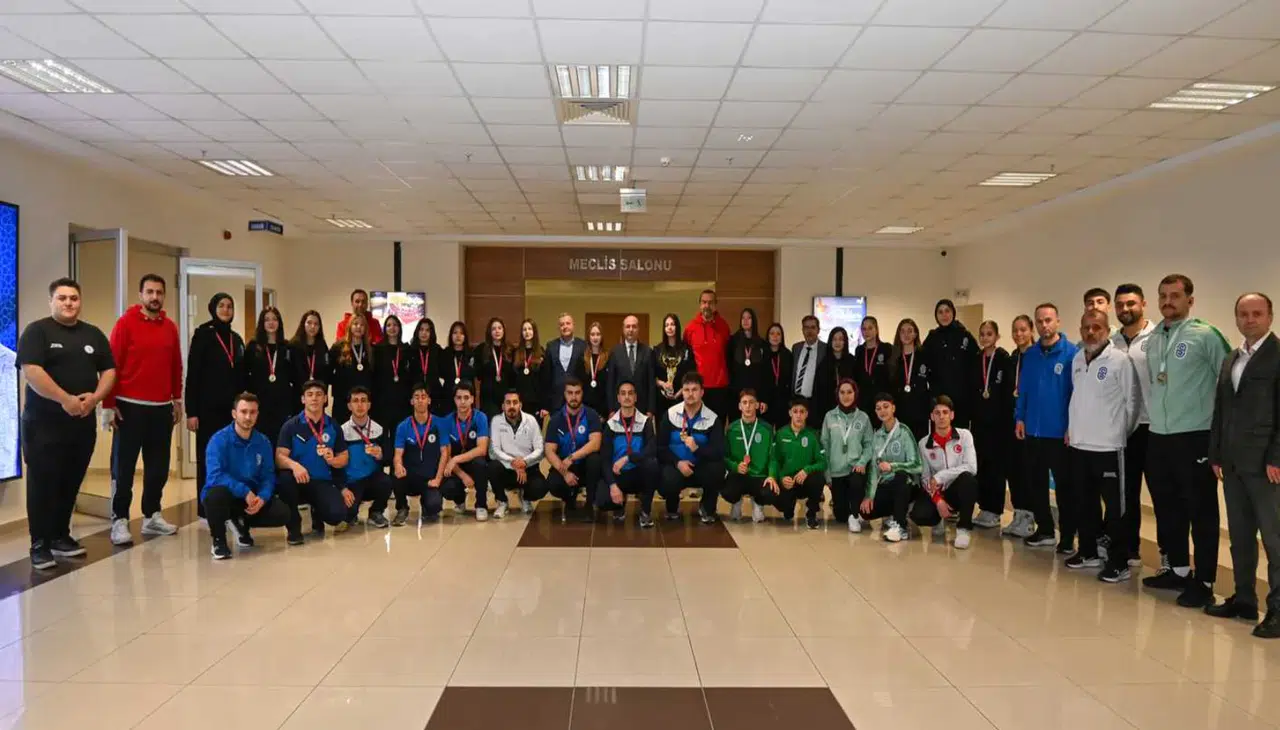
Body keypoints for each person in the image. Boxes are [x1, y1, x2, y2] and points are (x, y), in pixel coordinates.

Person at [1144, 274, 1230, 608]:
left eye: (1175, 295)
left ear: (1190, 300)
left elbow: (1228, 383)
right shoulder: (1154, 339)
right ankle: (1177, 570)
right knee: (1167, 508)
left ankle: (1204, 580)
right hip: (1159, 436)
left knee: (1201, 510)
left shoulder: (1205, 335)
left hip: (1195, 435)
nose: (1168, 301)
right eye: (1163, 295)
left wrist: (1221, 434)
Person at [17, 278, 115, 569]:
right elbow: (31, 371)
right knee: (43, 483)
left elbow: (109, 370)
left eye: (74, 298)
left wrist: (95, 398)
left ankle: (60, 536)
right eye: (62, 298)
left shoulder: (93, 334)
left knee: (70, 480)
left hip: (81, 423)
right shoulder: (37, 331)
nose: (69, 303)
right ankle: (40, 544)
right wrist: (65, 399)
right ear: (51, 301)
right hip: (43, 424)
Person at [1208, 293, 1280, 637]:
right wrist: (1216, 453)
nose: (1250, 319)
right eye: (1243, 314)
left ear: (1270, 317)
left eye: (1257, 313)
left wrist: (1277, 458)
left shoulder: (1277, 356)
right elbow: (1221, 410)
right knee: (1240, 536)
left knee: (1274, 540)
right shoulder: (1231, 358)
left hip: (1266, 466)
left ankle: (1277, 609)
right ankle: (1245, 599)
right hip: (1233, 464)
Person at [104, 273, 183, 546]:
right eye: (149, 292)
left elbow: (175, 365)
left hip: (161, 409)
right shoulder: (125, 324)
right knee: (124, 467)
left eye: (159, 292)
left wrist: (177, 399)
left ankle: (152, 515)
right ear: (141, 295)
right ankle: (119, 519)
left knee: (158, 467)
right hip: (129, 408)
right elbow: (111, 365)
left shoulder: (170, 327)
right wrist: (109, 404)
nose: (154, 297)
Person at [1066, 309, 1139, 581]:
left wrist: (1117, 432)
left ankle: (1119, 562)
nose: (1091, 332)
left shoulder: (1120, 360)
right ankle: (1088, 552)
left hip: (1108, 448)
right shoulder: (1077, 359)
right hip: (1079, 446)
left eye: (1097, 327)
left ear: (1107, 330)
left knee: (1116, 510)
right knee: (1084, 504)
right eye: (1086, 327)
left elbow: (1133, 404)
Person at [203, 392, 302, 559]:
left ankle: (241, 524)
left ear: (257, 414)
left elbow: (268, 476)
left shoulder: (263, 442)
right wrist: (244, 491)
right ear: (234, 414)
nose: (248, 417)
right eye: (243, 412)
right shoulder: (219, 440)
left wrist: (262, 497)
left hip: (252, 498)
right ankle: (219, 541)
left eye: (252, 412)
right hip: (229, 495)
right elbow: (215, 475)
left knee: (283, 513)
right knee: (214, 496)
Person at [1015, 303, 1078, 551]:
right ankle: (1045, 530)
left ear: (1058, 321)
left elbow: (1076, 394)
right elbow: (1024, 389)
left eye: (1048, 320)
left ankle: (1067, 537)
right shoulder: (1030, 355)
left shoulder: (1071, 354)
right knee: (1037, 485)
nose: (1044, 325)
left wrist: (1071, 426)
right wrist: (1020, 417)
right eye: (1040, 321)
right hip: (1033, 430)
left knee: (1065, 488)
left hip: (1060, 434)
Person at [184, 293, 244, 513]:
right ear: (213, 308)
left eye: (230, 306)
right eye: (221, 306)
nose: (226, 310)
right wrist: (192, 412)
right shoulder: (203, 335)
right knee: (209, 457)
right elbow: (193, 375)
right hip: (207, 410)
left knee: (231, 457)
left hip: (232, 411)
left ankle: (230, 503)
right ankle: (206, 506)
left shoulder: (236, 339)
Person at [1111, 284, 1156, 568]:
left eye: (1131, 303)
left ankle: (1170, 558)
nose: (1125, 309)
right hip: (1122, 428)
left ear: (1143, 304)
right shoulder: (1112, 341)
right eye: (1120, 304)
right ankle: (1130, 548)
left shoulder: (1157, 337)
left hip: (1153, 427)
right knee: (1125, 492)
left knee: (1161, 494)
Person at [275, 380, 349, 537]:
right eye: (309, 395)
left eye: (319, 394)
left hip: (322, 481)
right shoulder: (291, 426)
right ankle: (294, 527)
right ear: (303, 399)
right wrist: (295, 466)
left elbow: (344, 457)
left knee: (337, 514)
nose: (314, 398)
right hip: (297, 481)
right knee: (284, 479)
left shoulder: (333, 425)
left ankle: (317, 511)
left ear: (325, 399)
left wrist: (333, 460)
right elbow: (279, 458)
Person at [658, 372, 725, 524]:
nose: (690, 394)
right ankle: (672, 505)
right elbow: (660, 448)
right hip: (676, 467)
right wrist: (678, 463)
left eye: (694, 390)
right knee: (666, 478)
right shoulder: (670, 414)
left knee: (718, 469)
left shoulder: (712, 418)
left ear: (702, 392)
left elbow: (718, 452)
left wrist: (697, 449)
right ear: (682, 392)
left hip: (700, 467)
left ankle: (707, 506)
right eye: (686, 390)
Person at [914, 396, 979, 549]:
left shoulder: (964, 436)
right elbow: (925, 478)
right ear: (932, 417)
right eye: (937, 413)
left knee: (968, 480)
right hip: (938, 492)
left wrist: (941, 476)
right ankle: (938, 519)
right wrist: (938, 500)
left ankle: (963, 529)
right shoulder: (923, 443)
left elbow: (971, 467)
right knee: (919, 515)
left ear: (952, 415)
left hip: (957, 490)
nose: (941, 417)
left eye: (945, 412)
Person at [861, 393, 923, 543]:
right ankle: (897, 512)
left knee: (900, 476)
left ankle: (900, 526)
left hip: (907, 485)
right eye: (878, 408)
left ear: (893, 408)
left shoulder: (904, 432)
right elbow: (874, 469)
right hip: (886, 485)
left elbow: (917, 465)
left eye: (886, 406)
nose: (882, 411)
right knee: (866, 512)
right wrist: (869, 496)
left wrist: (893, 466)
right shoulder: (877, 436)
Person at [970, 320, 1014, 530]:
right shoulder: (976, 359)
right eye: (982, 334)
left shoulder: (1004, 359)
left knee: (996, 467)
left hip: (998, 424)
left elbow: (1007, 392)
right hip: (979, 423)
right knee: (982, 466)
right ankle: (984, 507)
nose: (985, 337)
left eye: (989, 334)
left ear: (997, 336)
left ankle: (995, 510)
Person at [597, 380, 661, 526]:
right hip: (618, 474)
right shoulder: (610, 424)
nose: (627, 397)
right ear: (618, 398)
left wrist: (628, 458)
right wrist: (613, 486)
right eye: (623, 393)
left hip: (638, 472)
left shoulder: (645, 422)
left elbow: (651, 450)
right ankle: (619, 504)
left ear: (635, 397)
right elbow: (605, 459)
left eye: (630, 393)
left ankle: (645, 511)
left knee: (653, 465)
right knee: (602, 500)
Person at [545, 378, 603, 522]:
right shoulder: (556, 419)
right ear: (564, 394)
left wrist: (572, 457)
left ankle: (590, 504)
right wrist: (564, 473)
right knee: (553, 483)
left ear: (582, 394)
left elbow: (595, 443)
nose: (574, 397)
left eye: (577, 393)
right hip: (564, 466)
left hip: (584, 466)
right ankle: (569, 499)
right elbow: (549, 451)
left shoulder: (591, 415)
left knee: (595, 460)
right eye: (570, 393)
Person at [337, 387, 393, 530]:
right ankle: (352, 513)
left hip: (372, 480)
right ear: (349, 406)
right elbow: (336, 465)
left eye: (363, 401)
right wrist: (342, 488)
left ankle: (376, 512)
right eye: (355, 401)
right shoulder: (341, 431)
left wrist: (380, 454)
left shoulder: (379, 429)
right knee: (346, 514)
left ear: (369, 405)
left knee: (387, 482)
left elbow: (388, 458)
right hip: (352, 482)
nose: (360, 405)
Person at [822, 379, 873, 532]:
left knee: (856, 482)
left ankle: (855, 515)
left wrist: (862, 462)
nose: (846, 396)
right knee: (840, 516)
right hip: (837, 471)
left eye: (849, 392)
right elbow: (824, 447)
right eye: (842, 392)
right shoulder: (829, 416)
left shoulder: (863, 417)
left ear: (855, 394)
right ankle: (850, 512)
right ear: (837, 395)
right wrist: (828, 475)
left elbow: (869, 445)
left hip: (855, 468)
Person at [391, 384, 447, 526]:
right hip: (411, 477)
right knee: (396, 472)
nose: (420, 400)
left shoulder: (439, 424)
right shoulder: (403, 426)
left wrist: (438, 479)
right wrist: (398, 465)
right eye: (416, 397)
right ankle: (402, 507)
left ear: (429, 400)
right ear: (412, 401)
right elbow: (398, 453)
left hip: (430, 478)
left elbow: (445, 453)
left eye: (423, 397)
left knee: (434, 506)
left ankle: (427, 504)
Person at [1002, 314, 1037, 538]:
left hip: (1032, 423)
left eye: (1023, 329)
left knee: (1029, 471)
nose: (1019, 334)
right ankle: (1018, 514)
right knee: (1014, 470)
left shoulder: (1038, 356)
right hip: (1012, 422)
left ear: (1031, 330)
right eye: (1015, 330)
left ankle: (1030, 518)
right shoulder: (1013, 358)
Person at [487, 389, 546, 517]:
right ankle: (502, 501)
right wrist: (513, 462)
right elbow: (493, 451)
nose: (512, 406)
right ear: (503, 406)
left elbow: (540, 449)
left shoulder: (531, 420)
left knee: (540, 488)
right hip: (506, 469)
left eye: (515, 402)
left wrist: (524, 462)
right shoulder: (496, 421)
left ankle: (525, 497)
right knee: (492, 467)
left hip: (528, 469)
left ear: (520, 405)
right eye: (508, 403)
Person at [722, 389, 777, 524]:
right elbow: (724, 456)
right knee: (726, 490)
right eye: (744, 402)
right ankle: (736, 501)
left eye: (751, 402)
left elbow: (773, 457)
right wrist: (735, 466)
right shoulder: (732, 429)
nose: (748, 406)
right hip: (739, 475)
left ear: (757, 405)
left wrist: (771, 476)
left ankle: (758, 503)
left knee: (771, 491)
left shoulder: (767, 429)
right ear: (739, 406)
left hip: (759, 476)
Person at [922, 298, 979, 429]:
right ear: (936, 316)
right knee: (940, 434)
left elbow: (976, 363)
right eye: (940, 312)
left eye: (947, 311)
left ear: (953, 312)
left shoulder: (965, 335)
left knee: (960, 434)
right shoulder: (932, 337)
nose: (944, 315)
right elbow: (923, 362)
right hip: (940, 398)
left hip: (962, 398)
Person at [773, 397, 828, 529]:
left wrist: (807, 470)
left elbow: (823, 462)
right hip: (788, 482)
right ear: (790, 413)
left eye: (802, 412)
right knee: (783, 508)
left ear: (807, 414)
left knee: (818, 478)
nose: (798, 415)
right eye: (795, 411)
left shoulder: (813, 435)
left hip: (805, 480)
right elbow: (775, 460)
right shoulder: (780, 434)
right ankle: (789, 506)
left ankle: (811, 512)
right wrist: (781, 477)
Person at [244, 306, 295, 446]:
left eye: (274, 319)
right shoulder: (253, 347)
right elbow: (245, 373)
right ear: (262, 323)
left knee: (281, 443)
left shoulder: (287, 347)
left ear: (279, 322)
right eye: (267, 320)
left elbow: (292, 375)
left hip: (282, 405)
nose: (271, 323)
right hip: (260, 403)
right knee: (260, 442)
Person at [440, 382, 492, 521]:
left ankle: (481, 505)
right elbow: (446, 454)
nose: (462, 402)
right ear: (454, 400)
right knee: (447, 487)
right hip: (456, 467)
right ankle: (459, 501)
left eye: (466, 397)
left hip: (473, 462)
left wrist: (456, 459)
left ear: (472, 399)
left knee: (480, 464)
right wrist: (462, 475)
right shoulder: (446, 421)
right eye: (459, 398)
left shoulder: (480, 417)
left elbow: (482, 449)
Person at [684, 289, 732, 419]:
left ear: (715, 305)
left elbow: (729, 355)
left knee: (718, 424)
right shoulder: (690, 328)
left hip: (720, 387)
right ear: (700, 304)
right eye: (704, 302)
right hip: (698, 388)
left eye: (710, 303)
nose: (707, 306)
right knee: (698, 425)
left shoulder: (724, 326)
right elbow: (687, 360)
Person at [888, 318, 931, 440]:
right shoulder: (893, 358)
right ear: (898, 334)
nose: (906, 334)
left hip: (919, 411)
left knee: (919, 444)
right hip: (899, 410)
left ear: (915, 334)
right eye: (902, 331)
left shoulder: (924, 355)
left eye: (910, 331)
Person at [329, 312, 374, 426]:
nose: (359, 327)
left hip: (363, 401)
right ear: (349, 326)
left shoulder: (371, 349)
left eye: (362, 325)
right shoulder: (338, 347)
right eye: (355, 324)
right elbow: (328, 372)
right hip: (343, 400)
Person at [606, 315, 654, 416]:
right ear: (623, 329)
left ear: (638, 329)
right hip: (620, 409)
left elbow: (651, 383)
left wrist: (650, 410)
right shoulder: (615, 352)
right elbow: (610, 383)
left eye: (634, 326)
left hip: (642, 409)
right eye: (628, 326)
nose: (631, 330)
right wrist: (611, 410)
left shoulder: (648, 352)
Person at [373, 315, 412, 431]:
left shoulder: (406, 349)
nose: (392, 328)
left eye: (395, 325)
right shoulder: (377, 349)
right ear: (384, 329)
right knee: (383, 434)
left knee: (399, 433)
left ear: (399, 328)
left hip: (402, 401)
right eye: (389, 325)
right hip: (382, 401)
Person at [727, 308, 768, 419]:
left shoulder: (762, 343)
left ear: (753, 320)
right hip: (736, 393)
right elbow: (728, 367)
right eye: (743, 318)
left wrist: (763, 398)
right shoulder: (733, 341)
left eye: (749, 318)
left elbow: (765, 373)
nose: (745, 321)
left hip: (755, 393)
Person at [545, 313, 587, 414]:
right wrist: (545, 404)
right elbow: (546, 376)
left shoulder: (583, 346)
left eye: (568, 323)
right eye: (562, 324)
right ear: (559, 328)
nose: (565, 326)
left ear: (573, 325)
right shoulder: (551, 346)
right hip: (556, 401)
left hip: (577, 400)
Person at [812, 326, 855, 424]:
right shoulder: (823, 363)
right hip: (828, 409)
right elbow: (818, 390)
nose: (837, 342)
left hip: (849, 409)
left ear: (845, 342)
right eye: (834, 339)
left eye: (841, 339)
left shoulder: (852, 361)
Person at [853, 316, 890, 429]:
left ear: (876, 329)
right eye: (864, 329)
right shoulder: (859, 350)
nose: (867, 332)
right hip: (863, 400)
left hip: (881, 400)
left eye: (870, 328)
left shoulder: (886, 348)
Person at [654, 313, 695, 414]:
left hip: (682, 397)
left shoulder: (686, 349)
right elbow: (652, 376)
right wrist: (663, 384)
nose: (669, 327)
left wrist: (680, 392)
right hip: (662, 400)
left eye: (672, 324)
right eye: (667, 325)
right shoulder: (657, 350)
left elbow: (691, 374)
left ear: (677, 327)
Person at [791, 315, 828, 427]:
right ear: (802, 330)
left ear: (818, 330)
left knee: (813, 431)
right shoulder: (796, 348)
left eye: (813, 327)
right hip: (796, 400)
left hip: (814, 402)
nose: (809, 331)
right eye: (806, 327)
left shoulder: (825, 349)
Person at [474, 317, 512, 419]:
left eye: (499, 328)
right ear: (489, 332)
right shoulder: (481, 349)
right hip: (488, 397)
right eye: (494, 329)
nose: (497, 331)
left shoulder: (510, 349)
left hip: (506, 397)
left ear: (503, 330)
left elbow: (513, 375)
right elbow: (478, 375)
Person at [408, 318, 444, 416]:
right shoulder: (410, 350)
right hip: (416, 395)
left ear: (432, 333)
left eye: (427, 330)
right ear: (417, 331)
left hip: (434, 394)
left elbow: (443, 372)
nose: (424, 333)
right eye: (421, 329)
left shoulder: (437, 350)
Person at [289, 310, 331, 393]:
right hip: (298, 393)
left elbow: (326, 372)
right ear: (303, 324)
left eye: (316, 324)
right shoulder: (293, 346)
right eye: (309, 323)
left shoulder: (322, 345)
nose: (312, 326)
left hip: (318, 393)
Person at [761, 323, 793, 429]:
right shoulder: (762, 354)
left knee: (781, 431)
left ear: (782, 337)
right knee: (766, 430)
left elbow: (790, 378)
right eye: (772, 333)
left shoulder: (787, 354)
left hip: (783, 400)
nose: (775, 336)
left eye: (778, 334)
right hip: (766, 400)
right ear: (768, 336)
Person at [514, 318, 548, 420]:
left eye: (530, 329)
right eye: (524, 329)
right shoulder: (516, 352)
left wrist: (544, 406)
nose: (527, 332)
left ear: (534, 332)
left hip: (536, 403)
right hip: (519, 402)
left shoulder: (541, 352)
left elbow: (545, 381)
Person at [442, 321, 475, 414]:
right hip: (449, 395)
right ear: (451, 335)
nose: (458, 336)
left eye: (461, 333)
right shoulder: (444, 353)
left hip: (466, 396)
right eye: (455, 332)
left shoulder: (471, 354)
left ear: (465, 336)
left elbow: (474, 373)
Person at [582, 322, 610, 416]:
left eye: (598, 334)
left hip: (603, 410)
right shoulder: (582, 358)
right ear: (588, 337)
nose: (595, 337)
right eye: (592, 334)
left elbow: (610, 386)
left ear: (602, 337)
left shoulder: (608, 357)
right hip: (585, 408)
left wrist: (605, 412)